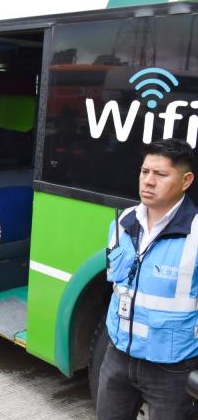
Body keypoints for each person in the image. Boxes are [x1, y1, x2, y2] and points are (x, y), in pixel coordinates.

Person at [97, 138, 198, 420]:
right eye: (145, 172)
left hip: (172, 368)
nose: (148, 181)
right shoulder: (123, 222)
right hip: (117, 356)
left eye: (161, 174)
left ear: (186, 180)